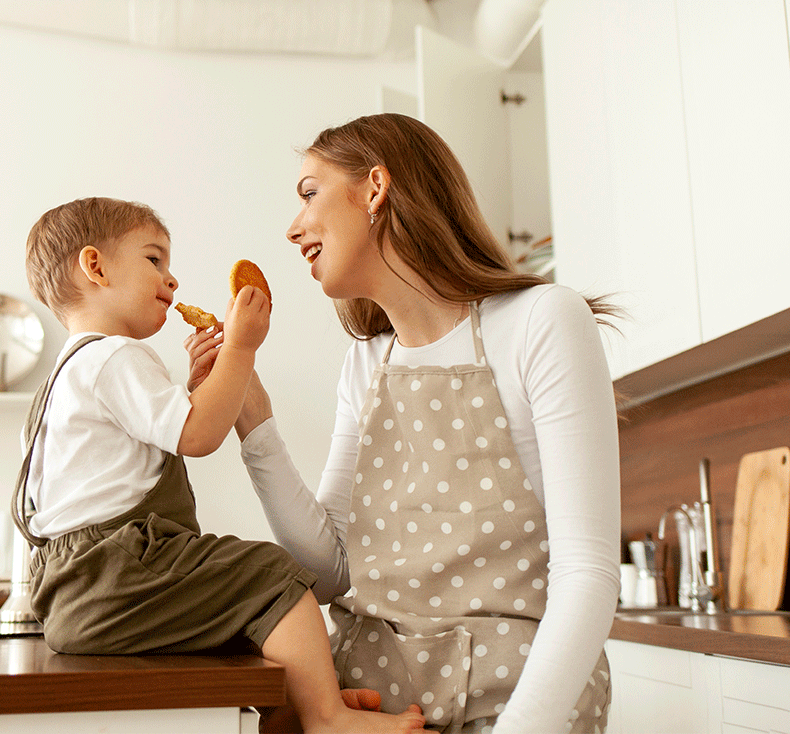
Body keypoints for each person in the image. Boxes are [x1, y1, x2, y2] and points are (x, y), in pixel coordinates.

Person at [185, 114, 620, 734]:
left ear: (375, 187)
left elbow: (587, 575)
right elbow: (332, 571)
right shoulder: (366, 362)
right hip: (377, 708)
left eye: (310, 193)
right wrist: (248, 412)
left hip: (515, 706)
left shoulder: (541, 321)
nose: (292, 228)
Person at [11, 196, 428, 734]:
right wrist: (241, 350)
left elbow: (154, 437)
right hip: (117, 569)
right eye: (153, 260)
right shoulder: (115, 356)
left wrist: (196, 389)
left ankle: (294, 708)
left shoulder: (67, 374)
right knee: (275, 579)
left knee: (234, 612)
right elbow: (198, 435)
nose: (172, 279)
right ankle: (326, 717)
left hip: (67, 590)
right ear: (95, 267)